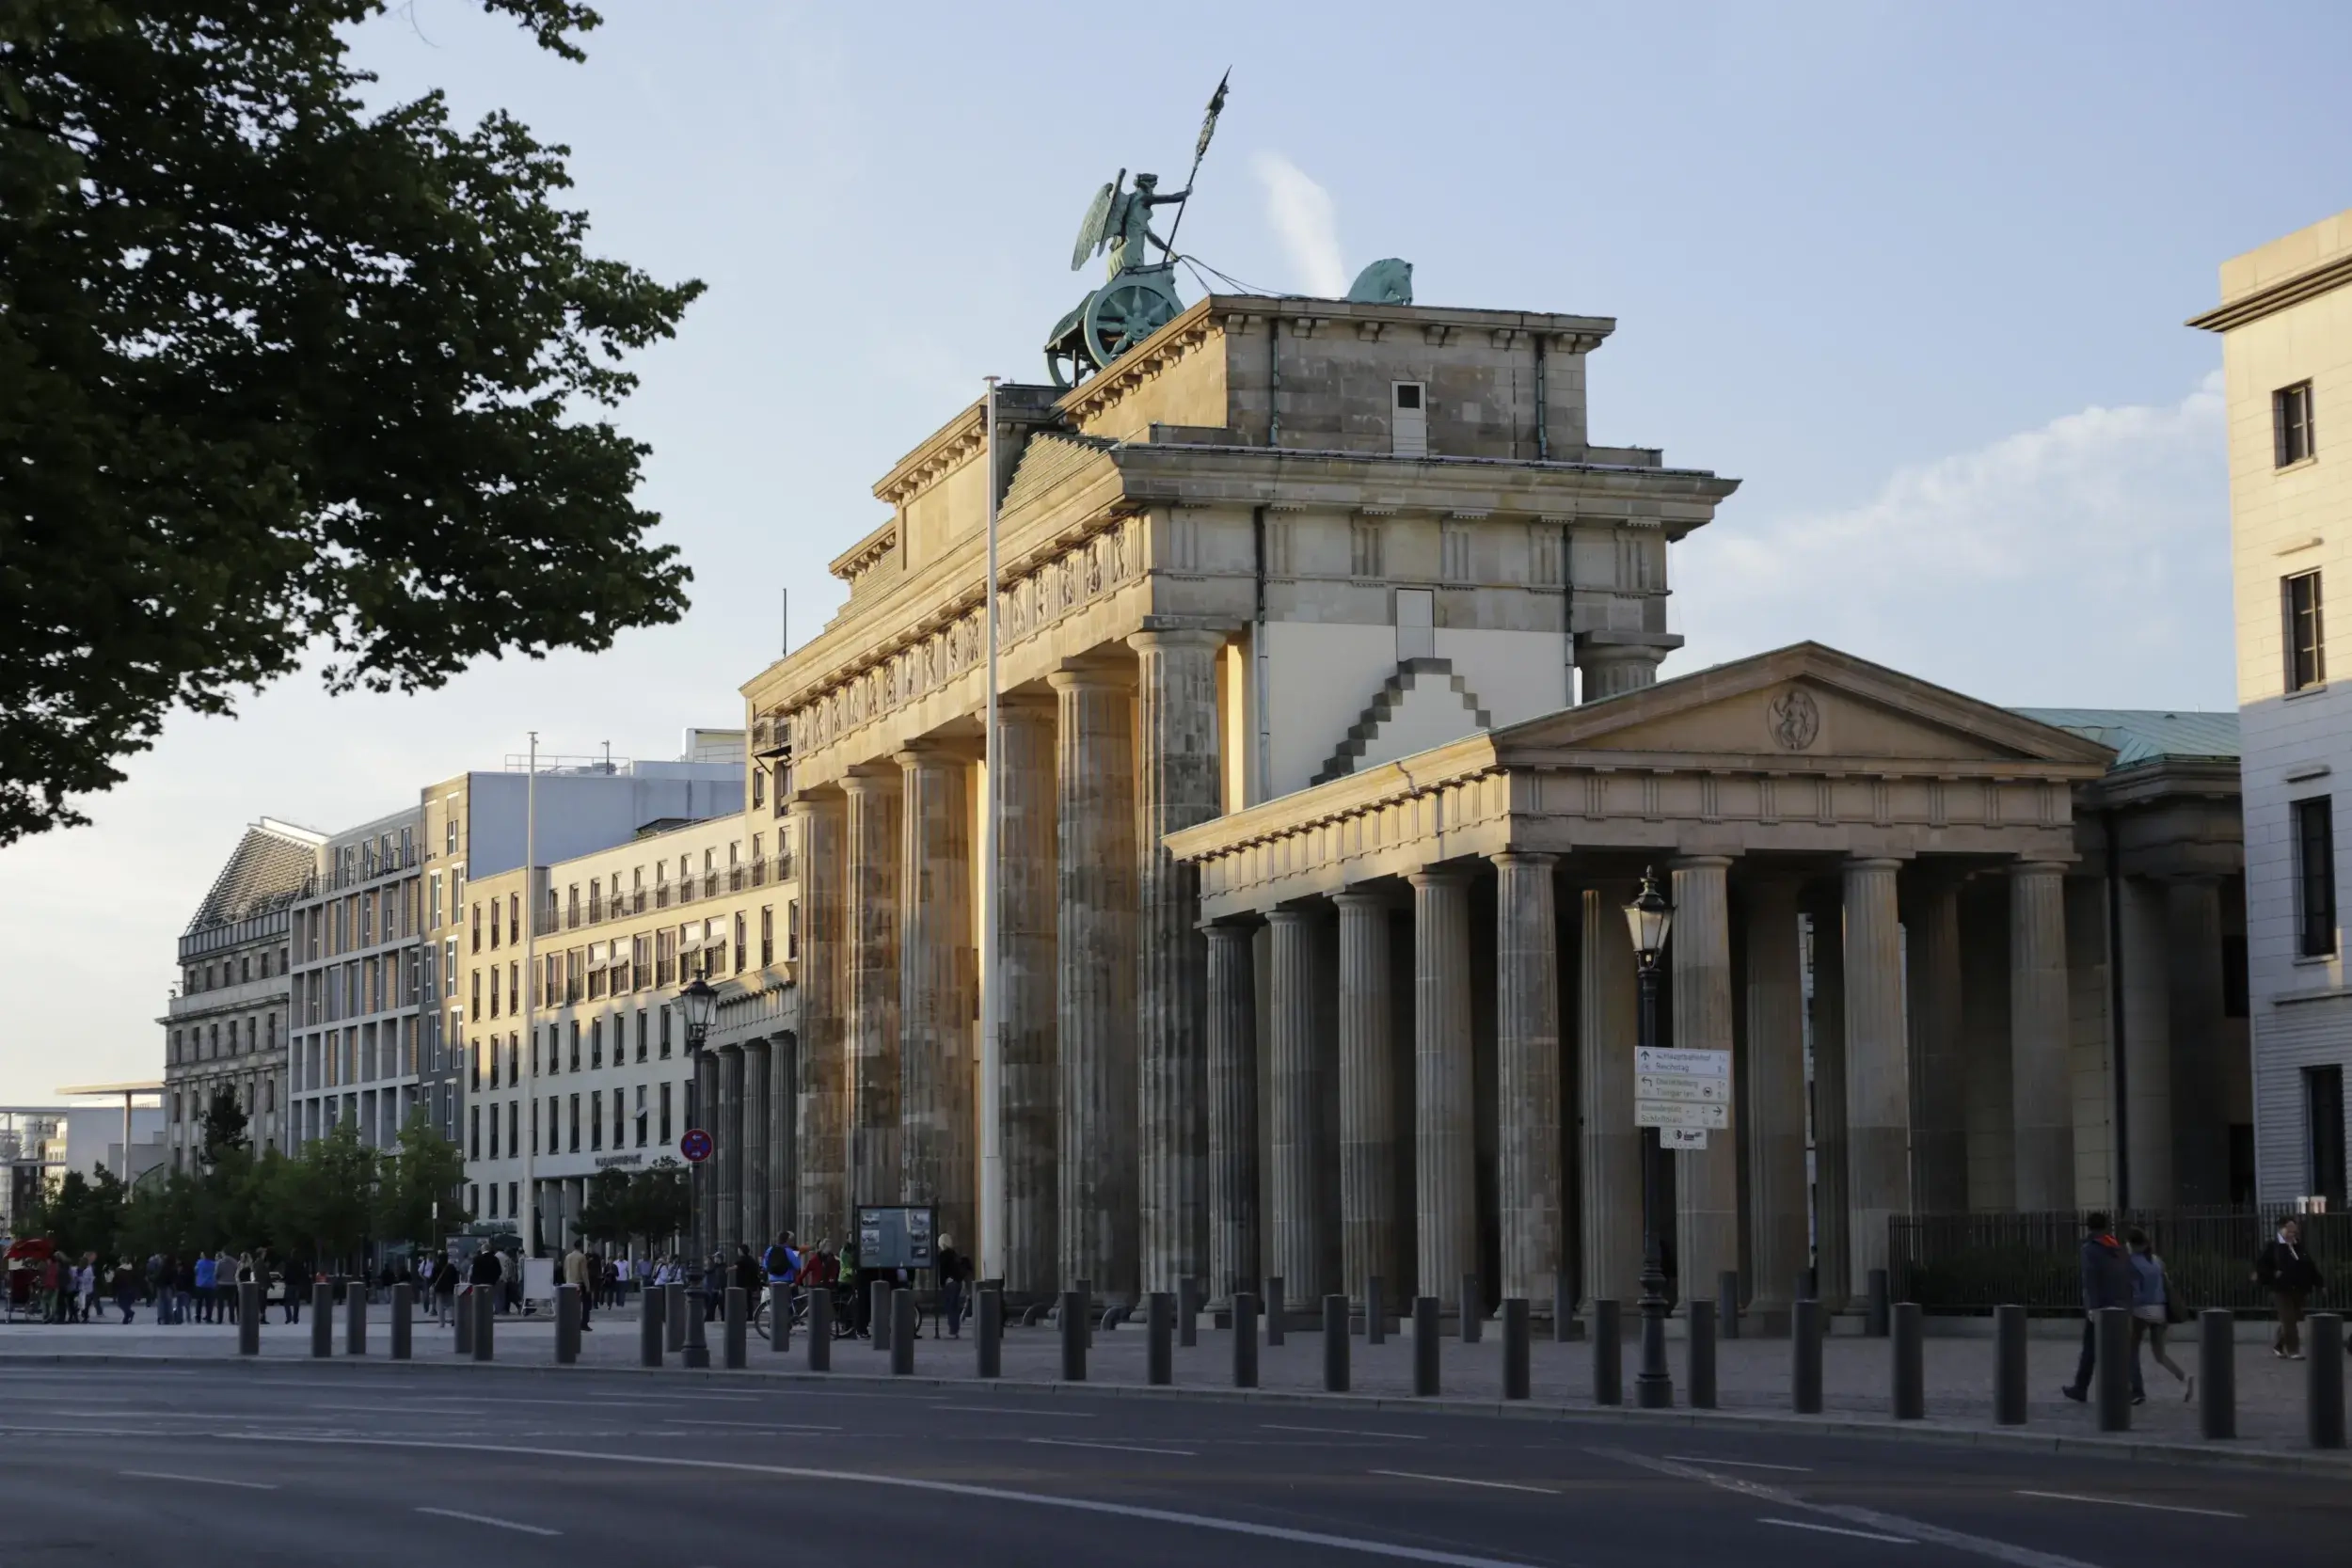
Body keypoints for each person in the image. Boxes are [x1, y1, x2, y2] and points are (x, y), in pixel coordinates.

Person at [2060, 1212, 2142, 1404]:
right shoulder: (2118, 1248)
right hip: (2122, 1305)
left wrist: (2092, 1307)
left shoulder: (2090, 1249)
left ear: (2088, 1227)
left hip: (2102, 1306)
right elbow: (2130, 1276)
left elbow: (2090, 1279)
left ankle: (2081, 1388)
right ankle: (2136, 1389)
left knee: (2090, 1349)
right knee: (2125, 1350)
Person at [2125, 1227, 2191, 1401]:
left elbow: (2136, 1292)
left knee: (2130, 1350)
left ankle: (2137, 1390)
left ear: (2131, 1244)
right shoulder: (2156, 1260)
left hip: (2141, 1310)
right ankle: (2183, 1377)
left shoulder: (2131, 1262)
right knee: (2159, 1354)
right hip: (2160, 1310)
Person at [2255, 1217, 2325, 1360]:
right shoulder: (2273, 1247)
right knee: (2288, 1319)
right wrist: (2273, 1274)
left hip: (2299, 1289)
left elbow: (2310, 1266)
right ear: (2282, 1229)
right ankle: (2293, 1350)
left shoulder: (2299, 1247)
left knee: (2293, 1318)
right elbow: (2261, 1266)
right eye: (2290, 1229)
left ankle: (2278, 1345)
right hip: (2281, 1289)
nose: (2293, 1233)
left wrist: (2320, 1283)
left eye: (2295, 1230)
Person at [935, 1234, 967, 1339]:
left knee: (950, 1307)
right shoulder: (954, 1254)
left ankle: (953, 1329)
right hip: (957, 1282)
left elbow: (943, 1272)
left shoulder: (943, 1255)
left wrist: (942, 1283)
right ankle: (955, 1329)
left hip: (950, 1283)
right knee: (955, 1306)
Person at [193, 1251, 216, 1324]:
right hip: (210, 1285)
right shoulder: (213, 1264)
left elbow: (195, 1271)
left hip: (200, 1284)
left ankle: (198, 1317)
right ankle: (208, 1318)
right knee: (209, 1303)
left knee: (199, 1303)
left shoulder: (199, 1263)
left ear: (203, 1256)